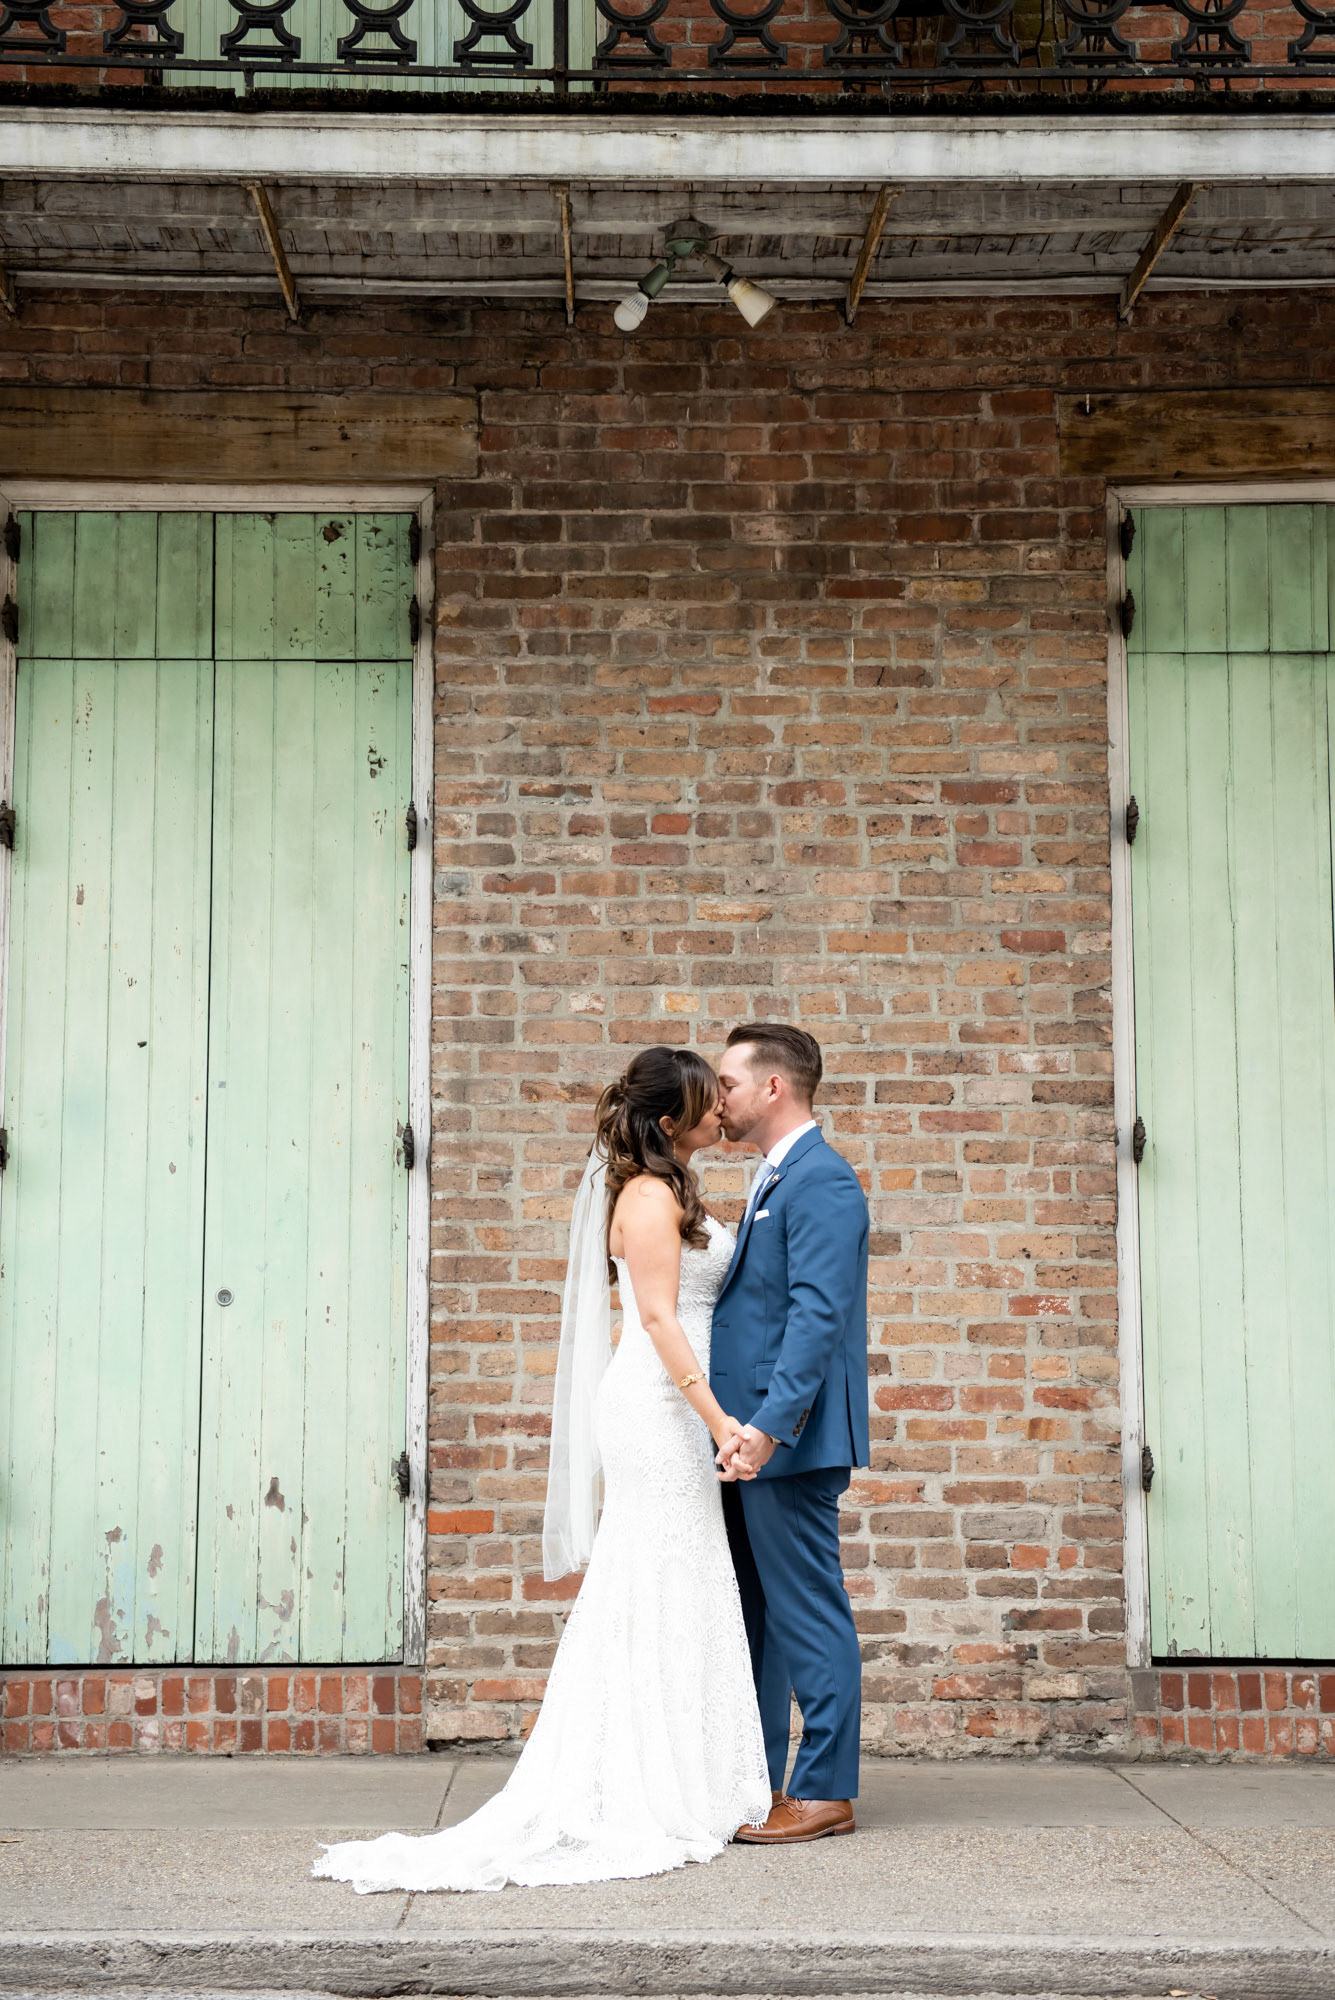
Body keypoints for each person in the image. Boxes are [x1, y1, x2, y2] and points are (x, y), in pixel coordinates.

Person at [312, 1046, 770, 1894]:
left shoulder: (672, 1189)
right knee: (652, 1575)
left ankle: (689, 1771)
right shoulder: (644, 1195)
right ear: (671, 1121)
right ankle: (641, 1780)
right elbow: (661, 1320)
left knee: (682, 1575)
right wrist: (719, 1421)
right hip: (661, 1406)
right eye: (708, 1103)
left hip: (681, 1403)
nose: (721, 1113)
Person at [712, 1022, 870, 1845]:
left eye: (730, 1083)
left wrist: (770, 1427)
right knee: (761, 1615)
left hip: (789, 1440)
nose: (720, 1098)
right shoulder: (777, 1177)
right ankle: (760, 1783)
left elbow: (816, 1316)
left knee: (806, 1611)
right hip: (751, 1440)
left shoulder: (822, 1181)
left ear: (773, 1087)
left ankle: (822, 1790)